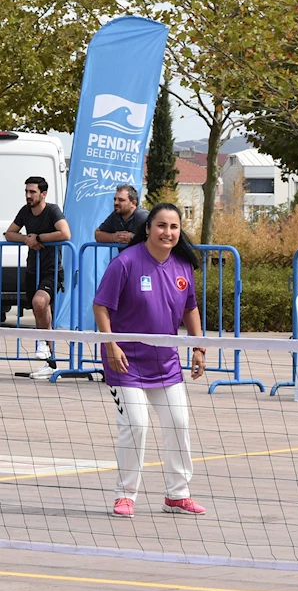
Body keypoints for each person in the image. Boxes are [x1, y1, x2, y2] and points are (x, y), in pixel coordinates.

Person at [93, 203, 207, 518]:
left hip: (165, 364)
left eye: (173, 227)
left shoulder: (183, 267)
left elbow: (190, 308)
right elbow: (100, 306)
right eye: (161, 225)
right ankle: (125, 495)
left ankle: (177, 495)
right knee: (136, 424)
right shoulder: (125, 263)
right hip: (124, 363)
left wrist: (199, 348)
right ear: (148, 228)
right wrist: (111, 343)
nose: (167, 232)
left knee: (179, 422)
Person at [3, 176, 71, 379]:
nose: (28, 195)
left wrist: (39, 238)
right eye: (26, 191)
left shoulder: (52, 210)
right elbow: (9, 234)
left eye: (32, 192)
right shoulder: (25, 212)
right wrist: (27, 239)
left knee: (40, 303)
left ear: (43, 194)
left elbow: (65, 233)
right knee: (42, 312)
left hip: (51, 270)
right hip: (33, 269)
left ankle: (42, 342)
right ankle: (51, 363)